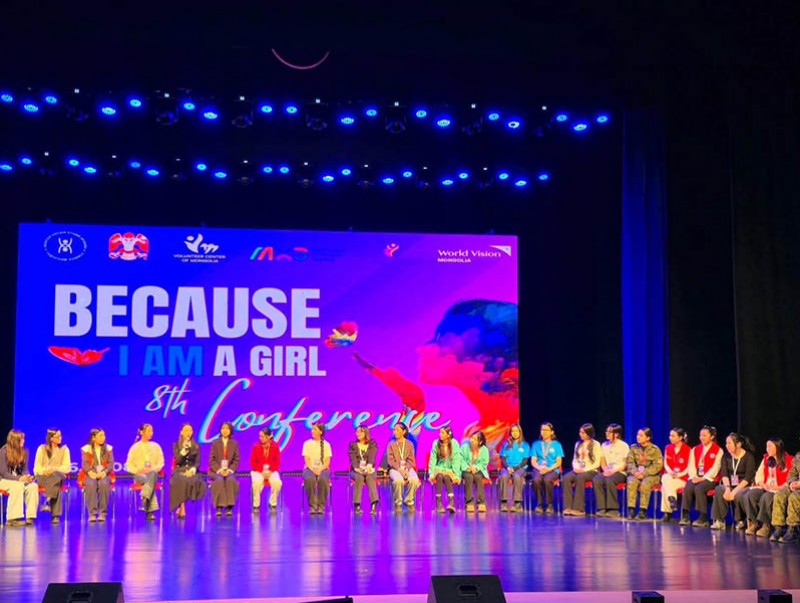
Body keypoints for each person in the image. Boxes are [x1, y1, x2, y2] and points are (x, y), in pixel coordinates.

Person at [355, 300, 519, 455]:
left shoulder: (514, 433)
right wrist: (413, 405)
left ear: (487, 356)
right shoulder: (475, 430)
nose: (423, 348)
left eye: (441, 338)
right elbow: (400, 466)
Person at [742, 438, 793, 537]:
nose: (767, 449)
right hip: (766, 487)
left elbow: (791, 478)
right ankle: (753, 523)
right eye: (766, 446)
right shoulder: (766, 458)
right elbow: (759, 475)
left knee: (766, 497)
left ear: (778, 447)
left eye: (770, 446)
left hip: (779, 489)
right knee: (749, 495)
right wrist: (763, 485)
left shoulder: (789, 459)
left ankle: (766, 525)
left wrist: (780, 487)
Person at [710, 433, 757, 530]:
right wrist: (727, 489)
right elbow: (724, 474)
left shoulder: (748, 456)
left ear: (738, 444)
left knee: (739, 494)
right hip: (730, 484)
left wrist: (734, 491)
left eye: (729, 443)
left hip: (744, 485)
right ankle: (720, 521)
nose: (727, 445)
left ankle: (740, 520)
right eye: (726, 443)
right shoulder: (726, 456)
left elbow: (747, 478)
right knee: (719, 489)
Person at [679, 425, 723, 527]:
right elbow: (691, 465)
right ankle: (685, 515)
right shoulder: (695, 449)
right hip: (696, 477)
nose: (701, 437)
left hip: (710, 479)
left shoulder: (718, 450)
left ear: (712, 437)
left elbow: (716, 468)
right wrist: (694, 476)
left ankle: (703, 517)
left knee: (699, 488)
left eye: (704, 435)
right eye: (700, 435)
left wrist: (703, 478)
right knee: (688, 486)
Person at [126, 423, 165, 521]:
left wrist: (152, 469)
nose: (151, 433)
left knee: (152, 475)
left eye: (152, 431)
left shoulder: (156, 446)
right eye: (148, 431)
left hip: (153, 474)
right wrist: (139, 470)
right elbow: (128, 465)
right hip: (139, 475)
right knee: (150, 482)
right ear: (141, 432)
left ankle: (145, 501)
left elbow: (161, 463)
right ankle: (149, 511)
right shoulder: (135, 447)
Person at [33, 428, 72, 524]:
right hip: (44, 477)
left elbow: (67, 468)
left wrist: (54, 469)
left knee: (56, 476)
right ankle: (55, 516)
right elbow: (37, 467)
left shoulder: (64, 450)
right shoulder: (41, 449)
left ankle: (47, 500)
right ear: (51, 438)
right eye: (58, 436)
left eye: (60, 436)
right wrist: (45, 471)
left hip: (58, 476)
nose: (60, 438)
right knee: (56, 484)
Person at [562, 424, 602, 516]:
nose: (581, 434)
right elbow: (575, 459)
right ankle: (568, 507)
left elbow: (597, 463)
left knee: (580, 478)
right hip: (578, 469)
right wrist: (575, 468)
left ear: (589, 433)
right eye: (580, 432)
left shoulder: (596, 444)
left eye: (583, 432)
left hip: (591, 470)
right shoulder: (578, 443)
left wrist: (584, 469)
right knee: (566, 478)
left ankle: (579, 508)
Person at [0, 429, 38, 527]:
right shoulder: (3, 452)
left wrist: (27, 477)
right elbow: (4, 473)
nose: (23, 441)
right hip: (3, 480)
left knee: (33, 486)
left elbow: (25, 470)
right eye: (21, 439)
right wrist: (19, 479)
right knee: (17, 486)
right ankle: (12, 519)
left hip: (19, 480)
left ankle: (30, 517)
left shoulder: (24, 452)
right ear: (15, 441)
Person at [170, 423, 207, 519]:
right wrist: (184, 449)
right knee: (180, 479)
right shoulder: (176, 445)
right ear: (181, 432)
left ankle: (181, 506)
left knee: (190, 480)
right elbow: (178, 460)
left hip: (192, 470)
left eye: (190, 430)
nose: (188, 432)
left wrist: (192, 470)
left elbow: (197, 462)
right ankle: (182, 506)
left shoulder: (196, 446)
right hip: (179, 470)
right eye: (186, 430)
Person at [625, 427, 663, 520]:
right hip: (636, 473)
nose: (638, 437)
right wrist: (635, 472)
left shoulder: (655, 449)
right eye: (638, 435)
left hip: (651, 475)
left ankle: (643, 511)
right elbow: (630, 462)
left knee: (645, 483)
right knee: (631, 481)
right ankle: (631, 510)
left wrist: (644, 473)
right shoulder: (633, 448)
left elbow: (657, 465)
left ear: (648, 438)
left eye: (641, 435)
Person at [593, 423, 630, 518]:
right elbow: (602, 461)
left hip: (620, 472)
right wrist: (606, 470)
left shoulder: (624, 445)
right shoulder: (604, 445)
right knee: (596, 480)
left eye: (609, 432)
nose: (607, 433)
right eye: (607, 431)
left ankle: (613, 509)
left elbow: (625, 464)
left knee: (610, 480)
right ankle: (602, 507)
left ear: (616, 434)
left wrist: (613, 471)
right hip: (608, 471)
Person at [79, 428, 114, 522]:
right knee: (90, 484)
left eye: (104, 435)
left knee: (104, 483)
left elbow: (111, 463)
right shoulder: (86, 449)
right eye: (100, 436)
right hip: (90, 473)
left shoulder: (108, 449)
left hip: (104, 473)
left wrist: (105, 472)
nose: (103, 438)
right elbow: (85, 463)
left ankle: (102, 513)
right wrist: (91, 473)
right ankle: (92, 513)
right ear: (93, 438)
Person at [386, 422, 420, 511]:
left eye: (397, 430)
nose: (395, 432)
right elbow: (390, 461)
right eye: (394, 430)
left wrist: (406, 469)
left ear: (404, 431)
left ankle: (409, 500)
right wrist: (399, 469)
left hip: (407, 468)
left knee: (414, 480)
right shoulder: (391, 444)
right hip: (394, 468)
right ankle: (398, 503)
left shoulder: (409, 444)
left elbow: (411, 460)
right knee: (398, 480)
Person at [530, 422, 564, 514]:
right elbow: (533, 461)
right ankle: (539, 504)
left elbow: (558, 462)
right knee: (536, 480)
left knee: (547, 480)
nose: (544, 432)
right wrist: (540, 468)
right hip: (539, 468)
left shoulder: (557, 445)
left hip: (552, 469)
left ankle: (549, 504)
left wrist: (548, 469)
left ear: (552, 432)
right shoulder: (536, 444)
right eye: (542, 430)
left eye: (546, 430)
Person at [769, 443, 800, 543]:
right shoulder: (798, 456)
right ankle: (779, 528)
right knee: (779, 495)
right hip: (797, 485)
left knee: (794, 497)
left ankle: (793, 529)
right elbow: (792, 473)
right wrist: (791, 483)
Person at [659, 428, 691, 522]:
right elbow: (666, 463)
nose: (670, 437)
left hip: (682, 478)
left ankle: (667, 513)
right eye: (670, 435)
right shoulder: (668, 448)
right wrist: (670, 473)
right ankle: (672, 498)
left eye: (673, 436)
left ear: (680, 437)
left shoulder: (688, 449)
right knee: (665, 477)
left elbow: (689, 466)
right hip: (670, 476)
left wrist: (679, 475)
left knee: (665, 485)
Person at [209, 422, 240, 517]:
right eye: (223, 428)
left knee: (230, 480)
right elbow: (211, 460)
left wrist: (229, 470)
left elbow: (236, 460)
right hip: (217, 470)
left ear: (230, 431)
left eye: (227, 428)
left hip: (229, 471)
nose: (225, 430)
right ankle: (219, 506)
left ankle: (229, 507)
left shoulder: (234, 443)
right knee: (219, 480)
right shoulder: (215, 443)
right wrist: (219, 470)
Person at [428, 426, 462, 513]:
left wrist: (456, 474)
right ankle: (439, 504)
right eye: (440, 432)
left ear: (448, 435)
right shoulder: (436, 443)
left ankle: (451, 503)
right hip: (439, 469)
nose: (440, 434)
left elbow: (456, 460)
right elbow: (433, 459)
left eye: (442, 433)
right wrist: (431, 474)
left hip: (449, 470)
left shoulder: (454, 443)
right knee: (439, 476)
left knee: (447, 477)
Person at [249, 427, 283, 513]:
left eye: (262, 436)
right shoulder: (256, 446)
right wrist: (262, 471)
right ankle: (256, 505)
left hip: (271, 470)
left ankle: (272, 503)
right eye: (259, 436)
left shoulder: (275, 446)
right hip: (258, 470)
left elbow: (277, 462)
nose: (260, 438)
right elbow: (253, 462)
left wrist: (270, 471)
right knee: (257, 482)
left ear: (268, 437)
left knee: (277, 482)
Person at [302, 422, 333, 515]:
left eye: (314, 429)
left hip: (323, 468)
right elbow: (307, 460)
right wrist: (313, 469)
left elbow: (327, 461)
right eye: (312, 429)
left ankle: (321, 506)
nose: (312, 431)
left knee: (323, 479)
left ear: (320, 432)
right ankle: (312, 506)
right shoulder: (307, 444)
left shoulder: (326, 445)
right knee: (309, 479)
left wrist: (320, 469)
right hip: (309, 468)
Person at [499, 424, 530, 513]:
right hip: (507, 467)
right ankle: (504, 503)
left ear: (520, 432)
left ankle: (517, 503)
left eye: (516, 431)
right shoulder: (506, 444)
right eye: (513, 431)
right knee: (503, 476)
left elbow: (525, 461)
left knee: (517, 476)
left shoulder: (525, 445)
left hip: (520, 468)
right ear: (510, 433)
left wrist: (515, 468)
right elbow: (503, 458)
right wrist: (508, 467)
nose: (515, 433)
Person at [348, 426, 379, 514]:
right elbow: (353, 459)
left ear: (365, 433)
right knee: (359, 478)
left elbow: (372, 458)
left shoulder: (372, 444)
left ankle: (374, 504)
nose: (358, 434)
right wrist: (357, 469)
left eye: (360, 432)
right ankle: (357, 504)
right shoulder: (353, 445)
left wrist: (368, 467)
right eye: (357, 432)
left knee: (369, 478)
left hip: (369, 469)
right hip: (356, 470)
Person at [461, 431, 490, 513]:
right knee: (469, 476)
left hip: (478, 470)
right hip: (466, 470)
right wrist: (467, 467)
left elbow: (484, 462)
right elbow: (460, 459)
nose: (471, 440)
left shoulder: (484, 450)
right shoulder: (464, 447)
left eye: (474, 439)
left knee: (478, 477)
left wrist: (476, 468)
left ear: (480, 442)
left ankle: (481, 502)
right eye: (471, 438)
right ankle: (469, 503)